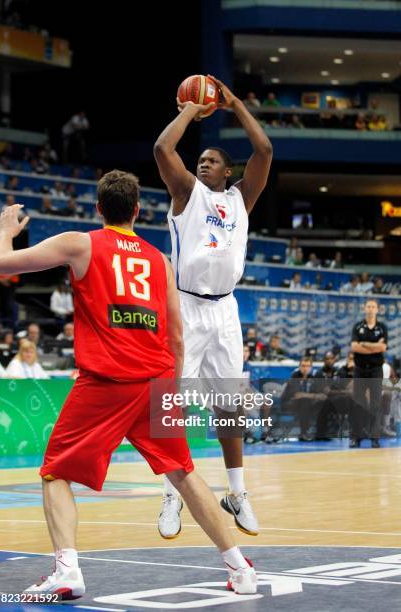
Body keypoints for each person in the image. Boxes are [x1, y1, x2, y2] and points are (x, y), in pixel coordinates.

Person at [0, 174, 257, 597]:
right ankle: (240, 568)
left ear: (99, 209)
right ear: (137, 211)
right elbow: (176, 337)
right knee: (185, 474)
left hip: (107, 382)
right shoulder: (160, 261)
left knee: (55, 473)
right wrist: (169, 392)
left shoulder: (80, 244)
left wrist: (6, 232)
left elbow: (0, 266)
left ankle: (67, 570)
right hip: (157, 381)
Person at [154, 74, 272, 538]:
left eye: (212, 160)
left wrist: (233, 103)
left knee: (230, 407)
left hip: (225, 311)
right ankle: (171, 495)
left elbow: (263, 151)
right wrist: (191, 107)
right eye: (200, 160)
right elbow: (164, 150)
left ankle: (236, 493)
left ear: (227, 171)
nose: (202, 164)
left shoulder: (241, 198)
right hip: (185, 307)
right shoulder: (187, 193)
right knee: (171, 405)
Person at [351, 298, 387, 448]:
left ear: (377, 309)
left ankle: (375, 438)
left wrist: (364, 344)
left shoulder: (382, 327)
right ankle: (356, 437)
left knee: (376, 404)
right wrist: (374, 345)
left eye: (373, 307)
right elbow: (354, 347)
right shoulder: (358, 326)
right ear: (365, 308)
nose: (371, 309)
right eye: (368, 306)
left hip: (375, 370)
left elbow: (383, 348)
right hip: (360, 369)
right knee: (358, 403)